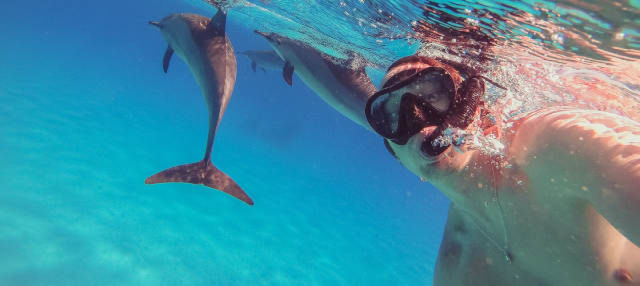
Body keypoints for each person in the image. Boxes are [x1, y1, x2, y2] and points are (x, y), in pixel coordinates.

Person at [365, 55, 640, 285]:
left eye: (434, 96)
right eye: (390, 115)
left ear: (474, 105)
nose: (418, 124)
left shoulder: (554, 146)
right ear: (397, 156)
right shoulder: (457, 268)